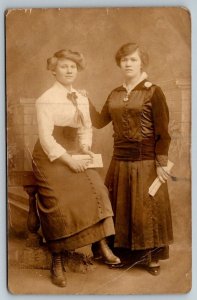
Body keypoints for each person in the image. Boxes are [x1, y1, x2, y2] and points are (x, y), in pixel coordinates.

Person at [32, 49, 120, 288]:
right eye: (64, 66)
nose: (69, 70)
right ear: (53, 70)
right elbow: (46, 139)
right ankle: (57, 258)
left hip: (74, 150)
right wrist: (69, 160)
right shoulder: (45, 99)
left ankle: (101, 244)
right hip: (50, 156)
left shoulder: (81, 97)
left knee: (97, 188)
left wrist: (85, 148)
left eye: (73, 67)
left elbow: (86, 128)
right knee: (59, 199)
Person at [88, 42, 173, 276]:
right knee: (121, 208)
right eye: (124, 60)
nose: (127, 63)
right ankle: (125, 256)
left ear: (141, 62)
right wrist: (83, 100)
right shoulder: (115, 93)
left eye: (133, 59)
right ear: (119, 63)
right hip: (120, 161)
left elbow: (163, 132)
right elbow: (99, 121)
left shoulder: (153, 91)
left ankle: (150, 258)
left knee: (147, 209)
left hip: (145, 161)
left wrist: (161, 163)